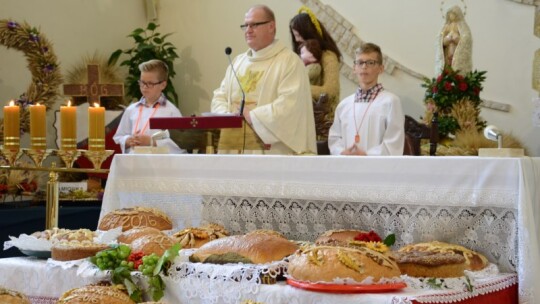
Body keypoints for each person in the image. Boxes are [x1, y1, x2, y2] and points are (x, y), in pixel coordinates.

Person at [211, 5, 316, 155]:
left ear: (271, 26)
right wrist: (227, 117)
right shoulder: (237, 62)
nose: (248, 30)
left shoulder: (289, 62)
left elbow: (290, 106)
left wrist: (251, 116)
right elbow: (219, 97)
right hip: (233, 147)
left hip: (271, 152)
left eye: (254, 25)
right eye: (245, 25)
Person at [328, 43, 404, 156]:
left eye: (370, 62)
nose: (364, 66)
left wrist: (366, 155)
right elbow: (334, 138)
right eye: (360, 62)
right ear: (354, 68)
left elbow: (393, 142)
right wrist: (342, 152)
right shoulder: (344, 105)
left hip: (377, 169)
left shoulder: (391, 102)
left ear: (381, 68)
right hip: (348, 166)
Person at [113, 59, 184, 154]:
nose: (144, 87)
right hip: (133, 162)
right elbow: (119, 136)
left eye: (150, 83)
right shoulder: (132, 109)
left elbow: (179, 143)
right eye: (142, 82)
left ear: (163, 85)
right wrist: (127, 140)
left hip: (158, 164)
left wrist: (151, 141)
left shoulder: (171, 111)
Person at [290, 6, 342, 125]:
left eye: (299, 35)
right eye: (295, 36)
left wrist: (297, 88)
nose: (297, 40)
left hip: (323, 119)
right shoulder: (300, 58)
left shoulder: (328, 56)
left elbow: (330, 90)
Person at [435, 5, 472, 75]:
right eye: (450, 14)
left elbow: (466, 38)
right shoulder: (445, 26)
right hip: (447, 50)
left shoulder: (462, 26)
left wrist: (457, 39)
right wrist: (446, 40)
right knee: (447, 66)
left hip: (457, 50)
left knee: (455, 66)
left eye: (453, 14)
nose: (451, 16)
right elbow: (439, 39)